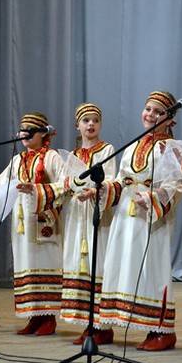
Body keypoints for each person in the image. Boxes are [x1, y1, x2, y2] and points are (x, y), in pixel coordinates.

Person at [98, 91, 182, 351]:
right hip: (125, 215)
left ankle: (161, 331)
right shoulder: (133, 145)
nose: (150, 114)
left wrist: (152, 198)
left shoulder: (170, 148)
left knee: (152, 267)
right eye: (148, 109)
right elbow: (121, 180)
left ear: (170, 119)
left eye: (158, 112)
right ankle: (122, 320)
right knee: (123, 264)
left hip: (151, 218)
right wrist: (104, 189)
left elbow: (176, 185)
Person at [0, 112, 64, 336]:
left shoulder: (52, 157)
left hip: (43, 222)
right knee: (25, 264)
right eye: (22, 129)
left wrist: (37, 189)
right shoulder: (17, 160)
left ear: (42, 133)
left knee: (44, 264)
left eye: (29, 129)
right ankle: (33, 316)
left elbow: (65, 185)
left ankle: (48, 318)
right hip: (22, 223)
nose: (24, 133)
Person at [60, 103, 116, 345]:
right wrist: (66, 187)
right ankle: (87, 323)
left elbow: (111, 179)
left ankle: (102, 326)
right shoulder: (72, 156)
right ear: (77, 125)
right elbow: (64, 182)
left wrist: (94, 192)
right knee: (78, 264)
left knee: (98, 263)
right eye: (86, 120)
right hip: (76, 215)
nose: (91, 124)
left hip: (97, 214)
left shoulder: (107, 150)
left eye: (95, 120)